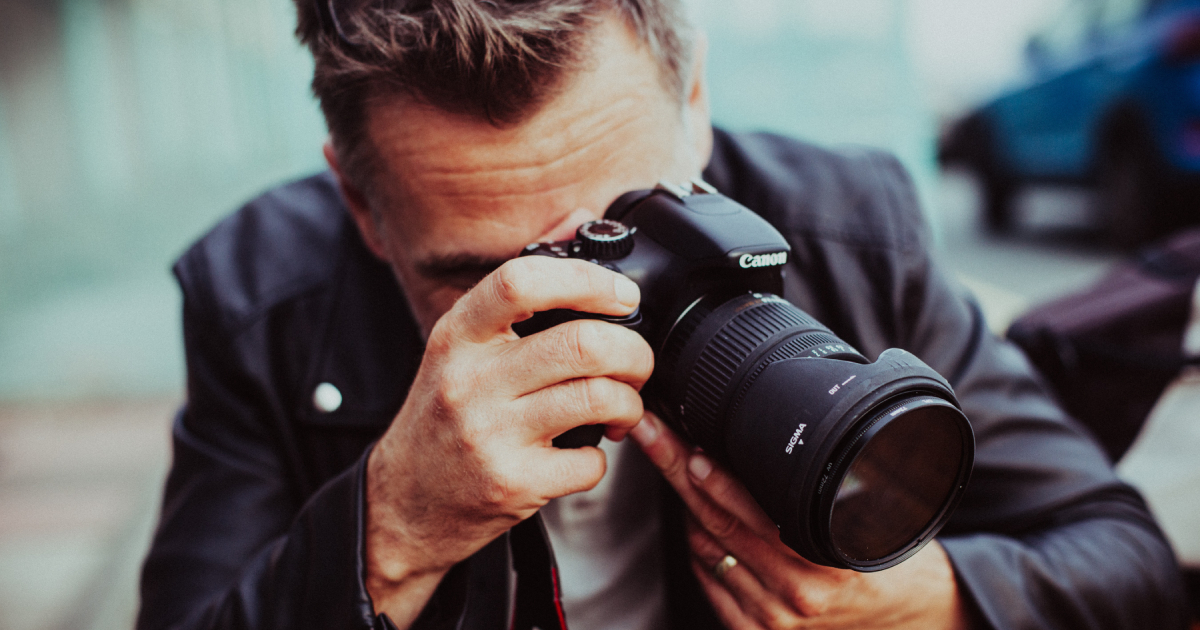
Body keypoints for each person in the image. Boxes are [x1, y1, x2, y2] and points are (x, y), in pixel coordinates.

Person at [136, 1, 1187, 629]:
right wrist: (391, 530)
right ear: (360, 204)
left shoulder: (849, 226)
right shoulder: (255, 298)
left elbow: (1123, 558)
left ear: (695, 114)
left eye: (621, 233)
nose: (570, 316)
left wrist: (927, 602)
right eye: (475, 281)